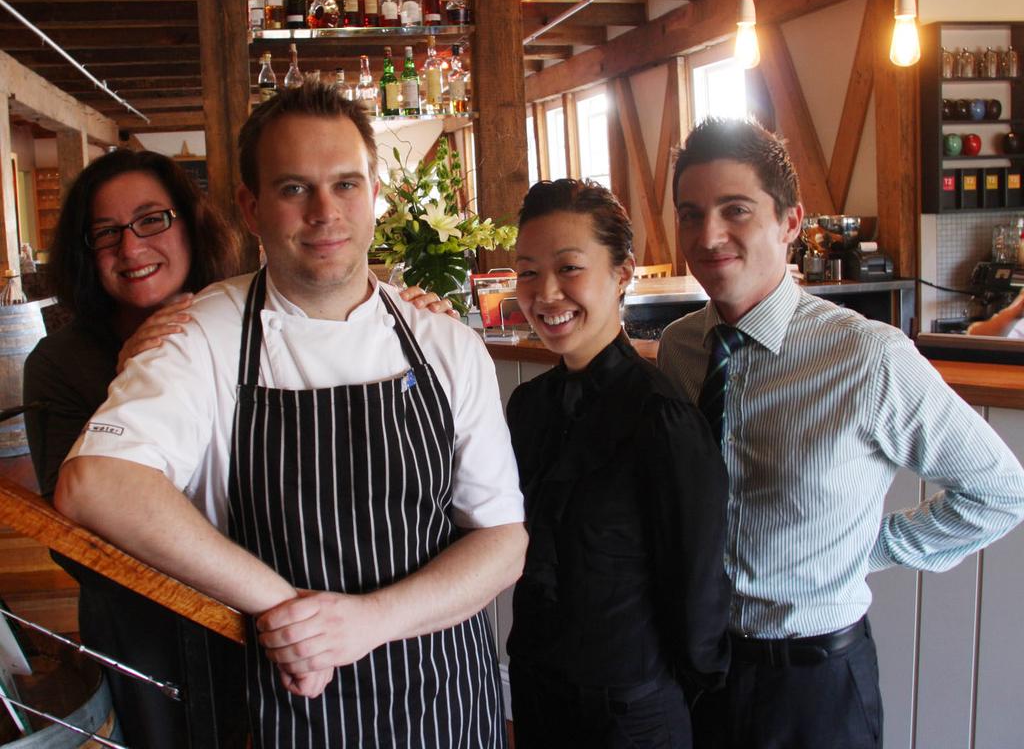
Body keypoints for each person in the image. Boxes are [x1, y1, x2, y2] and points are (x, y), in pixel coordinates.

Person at [54, 82, 526, 748]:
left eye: (346, 184)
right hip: (283, 701)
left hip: (440, 694)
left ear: (375, 194)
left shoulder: (444, 340)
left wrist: (365, 623)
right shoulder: (203, 334)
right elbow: (94, 483)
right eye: (294, 188)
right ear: (250, 207)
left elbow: (503, 542)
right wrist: (286, 607)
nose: (325, 212)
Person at [658, 117, 1024, 749]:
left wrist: (864, 548)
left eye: (735, 210)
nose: (708, 235)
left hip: (814, 685)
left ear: (791, 222)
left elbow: (998, 490)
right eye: (691, 214)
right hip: (695, 669)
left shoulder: (868, 357)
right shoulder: (680, 348)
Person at [23, 148, 247, 748]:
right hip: (138, 622)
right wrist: (127, 383)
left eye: (152, 219)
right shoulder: (59, 362)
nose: (131, 247)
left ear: (190, 223)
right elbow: (69, 542)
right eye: (105, 233)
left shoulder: (247, 317)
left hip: (262, 597)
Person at [505, 179, 730, 748]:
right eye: (528, 272)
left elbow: (699, 592)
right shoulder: (528, 407)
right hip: (536, 694)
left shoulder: (662, 419)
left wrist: (668, 697)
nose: (546, 294)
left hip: (632, 711)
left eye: (569, 268)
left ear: (623, 273)